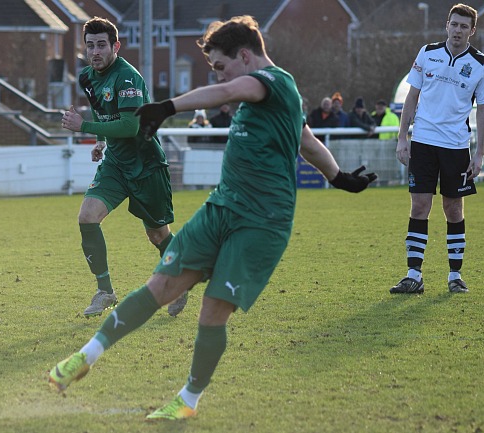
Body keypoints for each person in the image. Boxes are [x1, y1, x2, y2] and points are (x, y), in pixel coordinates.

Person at [48, 15, 376, 420]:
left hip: (261, 222)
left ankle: (187, 399)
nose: (220, 79)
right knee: (160, 285)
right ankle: (84, 357)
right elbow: (307, 142)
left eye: (220, 66)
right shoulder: (272, 100)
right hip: (221, 207)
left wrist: (166, 107)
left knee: (212, 310)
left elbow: (233, 87)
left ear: (244, 55)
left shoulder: (272, 82)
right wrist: (338, 176)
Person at [60, 17, 185, 318]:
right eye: (90, 46)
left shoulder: (127, 78)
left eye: (101, 45)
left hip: (145, 164)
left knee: (157, 234)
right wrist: (101, 140)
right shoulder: (87, 77)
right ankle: (105, 292)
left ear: (115, 46)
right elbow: (102, 109)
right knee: (87, 217)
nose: (95, 52)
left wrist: (85, 127)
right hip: (116, 162)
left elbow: (131, 125)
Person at [392, 3, 484, 295]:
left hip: (456, 147)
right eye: (454, 24)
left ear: (472, 30)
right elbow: (411, 97)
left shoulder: (481, 64)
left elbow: (482, 111)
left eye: (464, 26)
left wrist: (480, 153)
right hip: (422, 142)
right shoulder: (427, 53)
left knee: (453, 208)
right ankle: (413, 276)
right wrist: (402, 138)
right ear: (446, 25)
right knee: (419, 206)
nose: (458, 30)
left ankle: (454, 276)